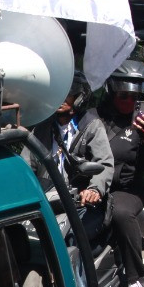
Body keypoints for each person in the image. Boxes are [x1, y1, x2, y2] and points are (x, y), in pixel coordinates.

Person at [97, 60, 144, 287]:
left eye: (135, 97)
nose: (128, 102)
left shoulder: (143, 124)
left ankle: (135, 277)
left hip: (126, 190)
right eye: (123, 95)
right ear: (112, 92)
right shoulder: (93, 118)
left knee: (121, 213)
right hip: (92, 186)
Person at [52, 79, 115, 244]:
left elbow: (105, 163)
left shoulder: (92, 126)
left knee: (72, 239)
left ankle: (81, 270)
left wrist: (94, 190)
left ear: (79, 98)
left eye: (68, 94)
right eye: (58, 93)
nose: (61, 98)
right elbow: (27, 161)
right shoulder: (44, 127)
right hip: (50, 202)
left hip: (82, 204)